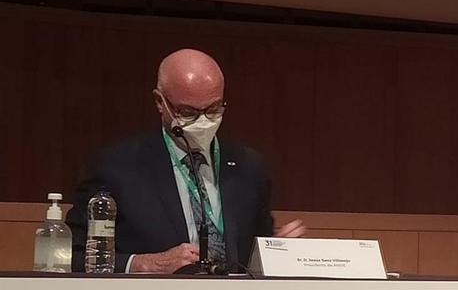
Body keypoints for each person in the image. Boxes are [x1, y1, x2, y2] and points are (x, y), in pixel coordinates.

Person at [66, 48, 305, 273]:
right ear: (160, 102)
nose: (203, 121)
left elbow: (252, 253)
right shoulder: (116, 166)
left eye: (213, 109)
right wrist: (143, 264)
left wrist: (277, 251)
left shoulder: (249, 166)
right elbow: (70, 254)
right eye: (188, 113)